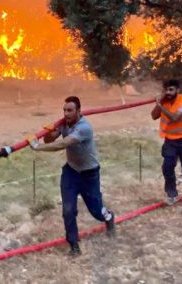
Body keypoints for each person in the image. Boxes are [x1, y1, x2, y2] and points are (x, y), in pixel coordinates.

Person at [27, 96, 116, 256]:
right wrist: (51, 131)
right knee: (68, 210)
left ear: (78, 111)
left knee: (96, 211)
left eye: (70, 110)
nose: (66, 114)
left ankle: (109, 217)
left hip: (89, 174)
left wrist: (37, 147)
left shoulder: (84, 128)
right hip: (71, 172)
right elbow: (50, 139)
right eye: (64, 110)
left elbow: (62, 144)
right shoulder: (64, 123)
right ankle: (74, 245)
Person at [151, 79, 182, 208]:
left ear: (178, 90)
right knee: (167, 167)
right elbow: (154, 116)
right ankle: (172, 195)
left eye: (171, 90)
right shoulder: (164, 101)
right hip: (170, 140)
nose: (168, 92)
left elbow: (174, 118)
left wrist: (160, 105)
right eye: (165, 90)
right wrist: (159, 104)